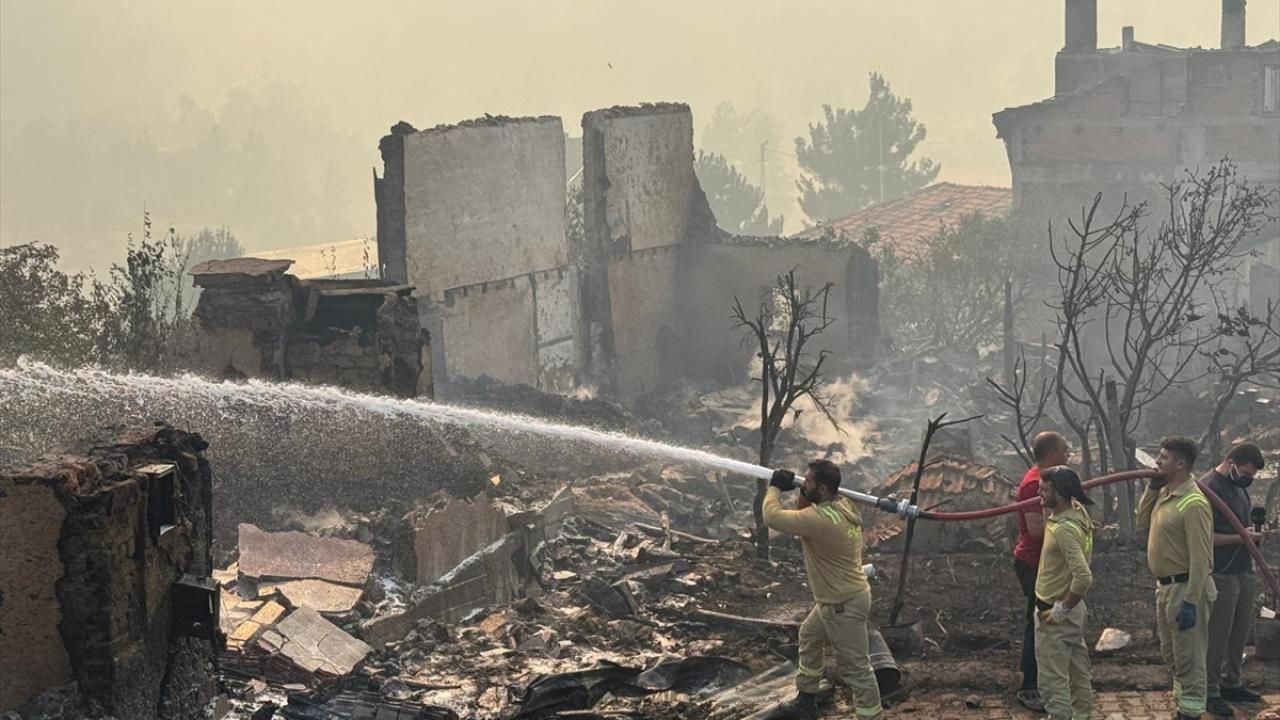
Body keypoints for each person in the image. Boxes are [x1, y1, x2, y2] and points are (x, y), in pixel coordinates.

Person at [765, 461, 882, 720]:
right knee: (809, 635)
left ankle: (871, 716)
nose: (803, 483)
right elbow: (803, 516)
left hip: (842, 604)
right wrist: (804, 493)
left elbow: (772, 517)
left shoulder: (820, 520)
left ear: (823, 489)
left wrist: (775, 487)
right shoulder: (844, 506)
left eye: (808, 481)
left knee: (857, 669)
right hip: (840, 597)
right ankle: (806, 701)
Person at [1138, 437, 1216, 720]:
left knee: (1189, 657)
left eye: (1164, 457)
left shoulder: (1193, 503)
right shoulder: (1165, 493)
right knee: (1172, 655)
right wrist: (1151, 488)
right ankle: (1183, 704)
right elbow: (1143, 522)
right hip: (1166, 588)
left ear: (1181, 463)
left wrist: (1191, 600)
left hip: (1185, 588)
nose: (1157, 461)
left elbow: (1201, 559)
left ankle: (1190, 712)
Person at [1204, 442, 1267, 718]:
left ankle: (1232, 682)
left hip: (1244, 567)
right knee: (1219, 633)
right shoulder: (1209, 487)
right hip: (1221, 571)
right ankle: (1210, 690)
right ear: (1231, 463)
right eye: (1246, 473)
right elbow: (1204, 536)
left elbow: (1241, 525)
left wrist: (1251, 533)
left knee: (1240, 630)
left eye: (1252, 475)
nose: (1248, 479)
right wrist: (1242, 537)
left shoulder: (1240, 488)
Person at [1013, 431, 1071, 712]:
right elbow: (1036, 530)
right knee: (1039, 622)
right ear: (1051, 454)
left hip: (1050, 563)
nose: (1068, 453)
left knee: (1053, 623)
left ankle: (1051, 681)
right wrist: (1069, 529)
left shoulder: (1051, 480)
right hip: (1034, 564)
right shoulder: (1033, 485)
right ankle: (1029, 686)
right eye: (1064, 449)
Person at [1034, 466, 1095, 720]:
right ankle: (1082, 715)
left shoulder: (1064, 529)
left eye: (1044, 490)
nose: (1039, 493)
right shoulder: (1076, 511)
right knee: (1078, 672)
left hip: (1056, 612)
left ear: (1059, 494)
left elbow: (1083, 577)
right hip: (1073, 612)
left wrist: (1060, 610)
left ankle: (1059, 716)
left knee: (1053, 679)